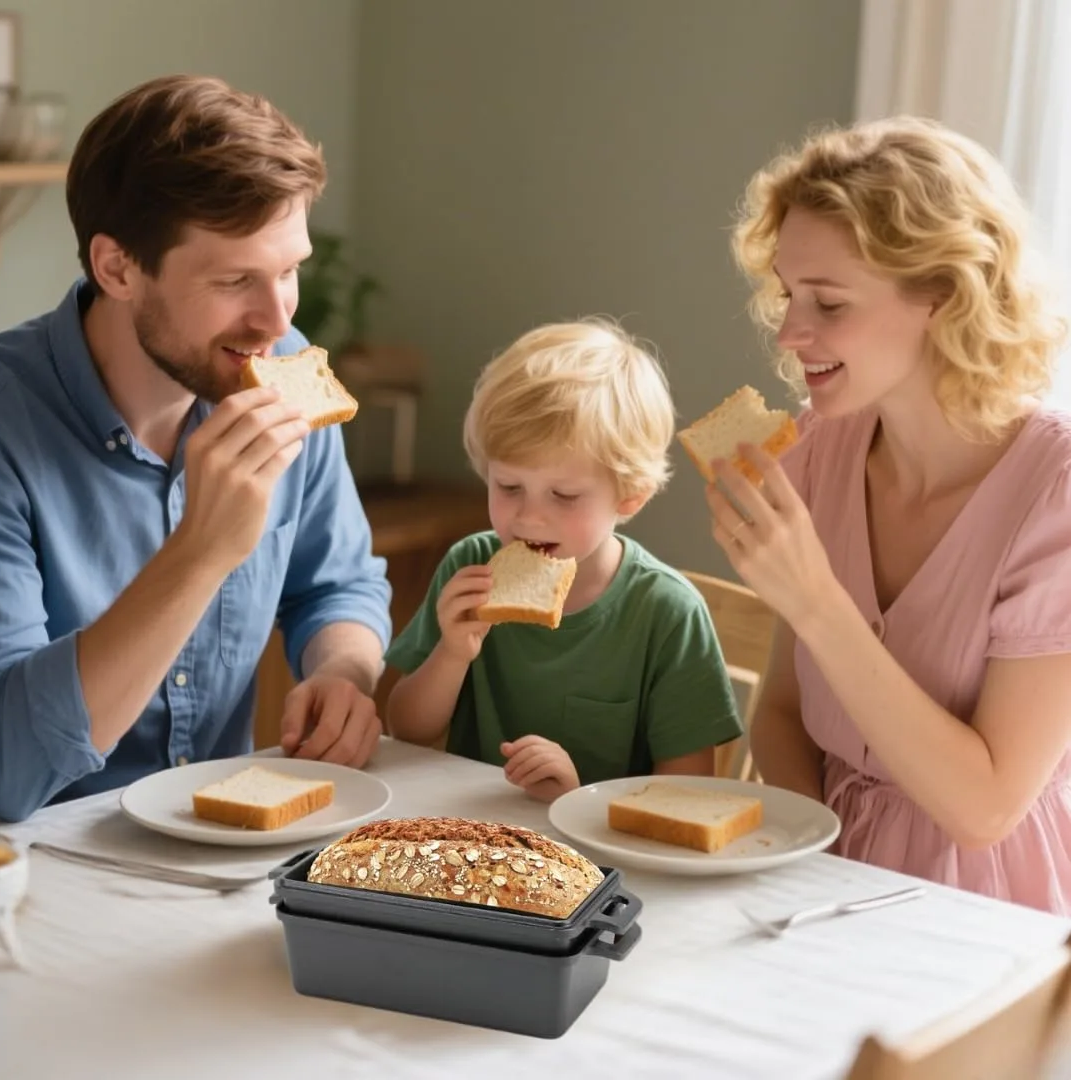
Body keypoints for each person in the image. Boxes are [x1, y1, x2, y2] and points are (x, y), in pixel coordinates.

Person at [0, 75, 392, 822]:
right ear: (117, 268)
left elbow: (337, 585)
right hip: (34, 876)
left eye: (289, 270)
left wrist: (343, 672)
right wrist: (201, 550)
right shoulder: (1, 430)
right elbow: (2, 772)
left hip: (229, 860)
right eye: (236, 278)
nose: (276, 319)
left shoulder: (284, 368)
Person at [705, 115, 1071, 913]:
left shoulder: (1058, 494)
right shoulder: (811, 451)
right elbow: (781, 711)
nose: (794, 333)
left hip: (987, 914)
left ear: (941, 295)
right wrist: (812, 857)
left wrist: (813, 598)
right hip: (823, 885)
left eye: (829, 303)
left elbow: (986, 809)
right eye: (788, 295)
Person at [384, 320, 742, 802]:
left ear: (630, 497)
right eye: (508, 487)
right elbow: (405, 730)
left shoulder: (667, 614)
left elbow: (687, 797)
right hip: (467, 841)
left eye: (565, 495)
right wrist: (451, 652)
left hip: (602, 863)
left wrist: (577, 799)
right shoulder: (470, 566)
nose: (529, 516)